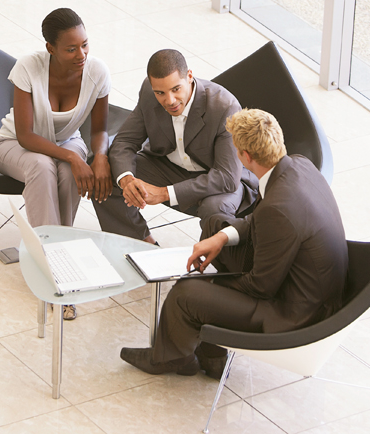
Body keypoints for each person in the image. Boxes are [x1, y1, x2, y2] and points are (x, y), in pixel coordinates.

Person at [119, 109, 348, 378]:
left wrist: (211, 285)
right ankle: (212, 355)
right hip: (300, 277)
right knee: (216, 224)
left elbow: (261, 286)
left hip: (293, 311)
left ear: (245, 157)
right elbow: (259, 220)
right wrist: (221, 237)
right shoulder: (298, 165)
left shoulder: (279, 209)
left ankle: (171, 359)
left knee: (186, 293)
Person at [0, 8, 112, 320]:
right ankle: (56, 270)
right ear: (51, 49)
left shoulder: (98, 72)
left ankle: (56, 256)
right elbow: (25, 134)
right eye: (71, 49)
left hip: (65, 142)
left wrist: (99, 158)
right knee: (43, 168)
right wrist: (74, 157)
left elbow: (99, 130)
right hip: (14, 145)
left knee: (67, 173)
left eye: (85, 45)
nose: (81, 54)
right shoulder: (28, 68)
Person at [92, 49, 257, 244]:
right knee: (107, 172)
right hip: (169, 167)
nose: (169, 100)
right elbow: (125, 141)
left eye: (176, 89)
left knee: (214, 212)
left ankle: (215, 266)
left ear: (189, 76)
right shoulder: (148, 91)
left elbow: (227, 178)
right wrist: (127, 181)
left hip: (219, 181)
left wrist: (163, 193)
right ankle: (141, 244)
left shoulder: (224, 107)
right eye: (160, 92)